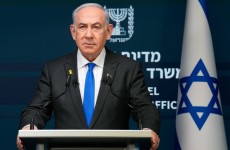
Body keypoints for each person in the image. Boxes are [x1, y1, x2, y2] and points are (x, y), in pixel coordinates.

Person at [16, 3, 160, 150]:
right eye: (82, 27)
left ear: (109, 31)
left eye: (96, 27)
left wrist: (148, 129)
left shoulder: (128, 69)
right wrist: (29, 127)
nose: (89, 35)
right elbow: (36, 109)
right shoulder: (54, 69)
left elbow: (144, 108)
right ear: (73, 32)